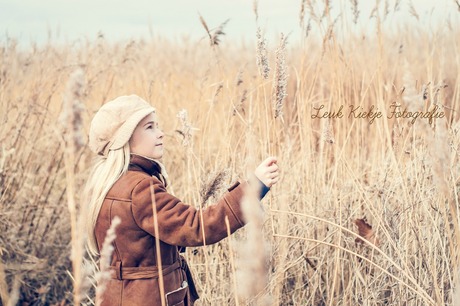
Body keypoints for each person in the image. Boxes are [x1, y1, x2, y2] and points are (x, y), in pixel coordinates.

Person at [84, 94, 279, 306]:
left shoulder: (106, 183)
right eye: (149, 127)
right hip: (150, 298)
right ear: (125, 138)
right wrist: (253, 188)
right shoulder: (139, 188)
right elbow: (198, 226)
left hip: (116, 296)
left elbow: (140, 243)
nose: (161, 134)